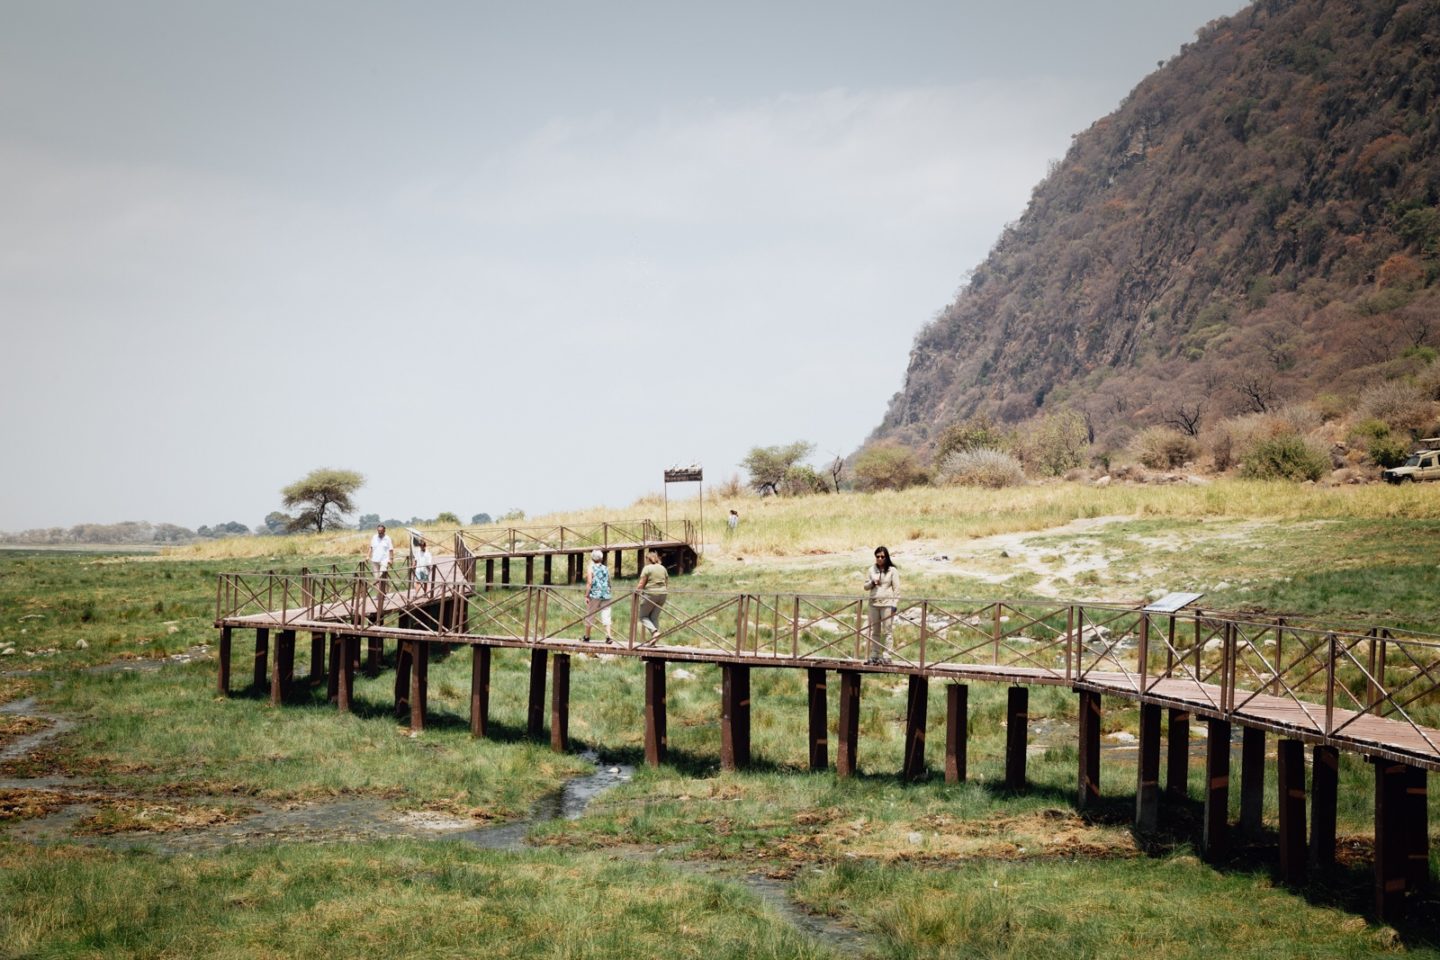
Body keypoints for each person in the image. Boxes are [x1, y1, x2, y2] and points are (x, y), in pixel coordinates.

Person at [863, 546, 899, 664]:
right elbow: (865, 587)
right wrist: (872, 582)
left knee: (887, 630)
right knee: (875, 630)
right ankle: (874, 654)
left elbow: (896, 589)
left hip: (887, 604)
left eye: (882, 556)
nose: (879, 559)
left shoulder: (892, 571)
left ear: (886, 557)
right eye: (877, 556)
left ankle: (887, 655)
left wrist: (895, 604)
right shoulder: (871, 569)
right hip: (873, 603)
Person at [635, 549, 669, 640]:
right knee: (654, 617)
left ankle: (654, 632)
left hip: (651, 594)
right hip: (663, 594)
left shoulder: (647, 568)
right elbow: (666, 582)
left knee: (643, 616)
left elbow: (641, 583)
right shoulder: (663, 568)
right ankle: (654, 638)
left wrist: (636, 592)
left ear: (648, 559)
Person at [583, 548, 613, 642]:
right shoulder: (605, 568)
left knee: (590, 614)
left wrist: (586, 595)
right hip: (606, 594)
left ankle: (587, 636)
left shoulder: (591, 568)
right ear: (601, 558)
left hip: (595, 594)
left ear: (592, 558)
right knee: (606, 614)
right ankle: (608, 636)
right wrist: (609, 589)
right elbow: (609, 581)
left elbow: (589, 583)